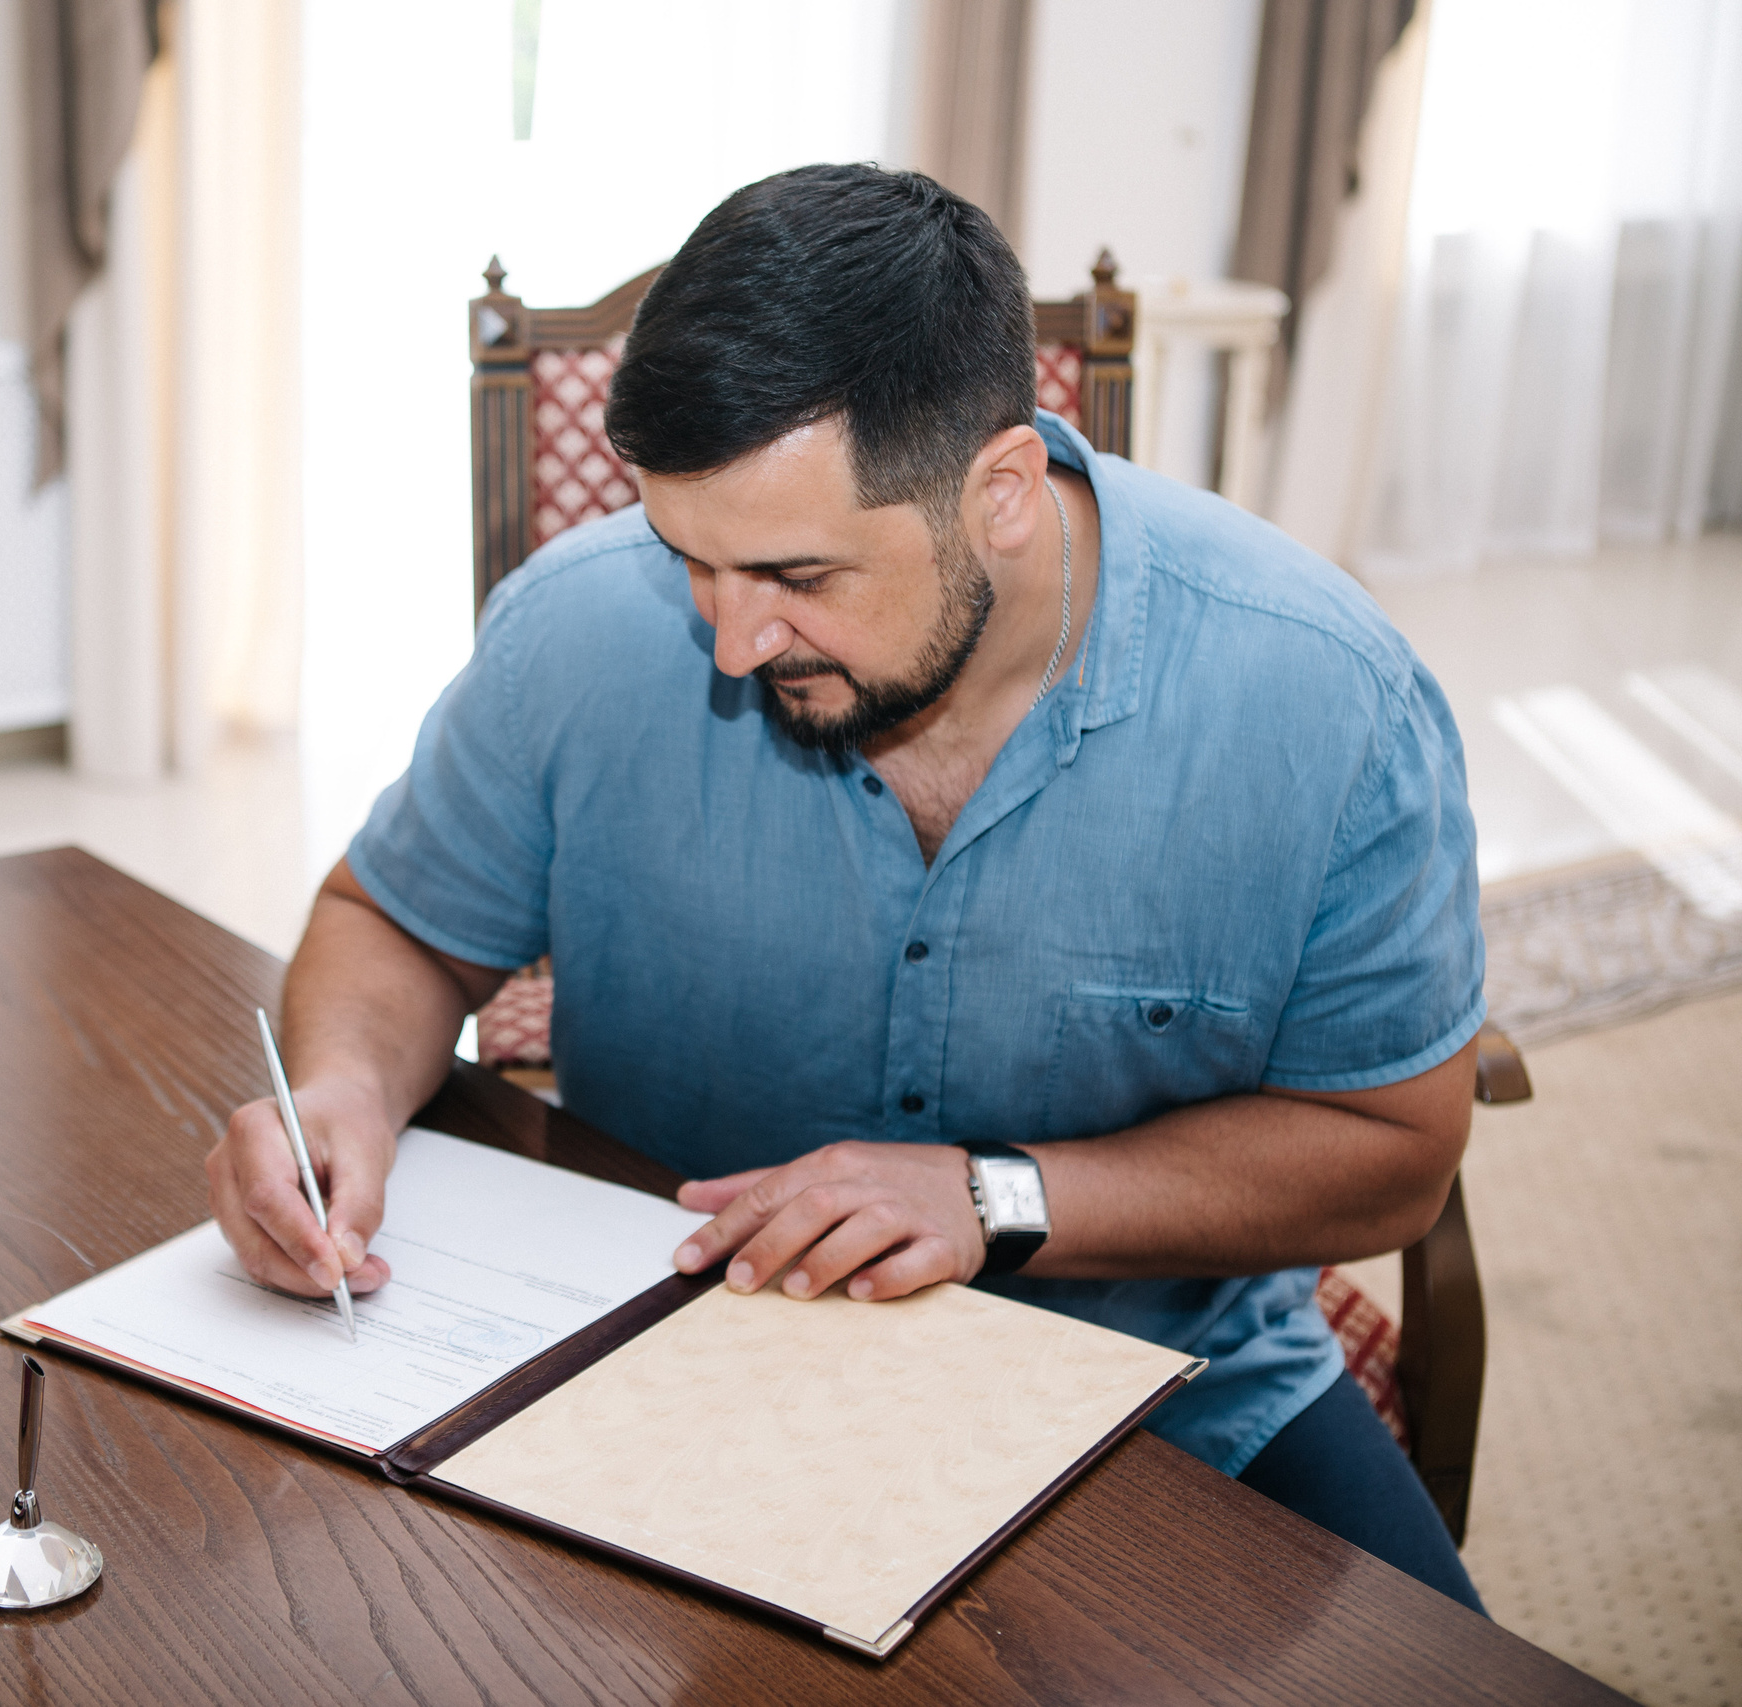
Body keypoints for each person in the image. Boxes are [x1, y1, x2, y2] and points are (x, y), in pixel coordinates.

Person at [206, 164, 1487, 1610]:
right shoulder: (579, 630)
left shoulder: (1327, 702)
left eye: (796, 573)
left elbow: (1395, 1147)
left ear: (999, 490)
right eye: (689, 558)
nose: (733, 641)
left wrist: (1000, 1197)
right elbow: (395, 922)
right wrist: (345, 1102)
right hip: (663, 1364)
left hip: (1163, 1396)